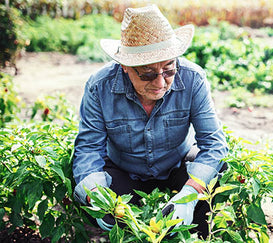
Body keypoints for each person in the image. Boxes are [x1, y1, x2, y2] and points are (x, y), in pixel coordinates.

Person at [72, 4, 228, 238]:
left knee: (214, 176)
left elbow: (214, 144)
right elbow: (88, 149)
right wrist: (97, 197)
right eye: (146, 74)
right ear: (125, 66)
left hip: (176, 165)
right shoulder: (99, 86)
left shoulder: (193, 79)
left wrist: (188, 196)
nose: (160, 83)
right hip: (124, 171)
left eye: (168, 70)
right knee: (121, 222)